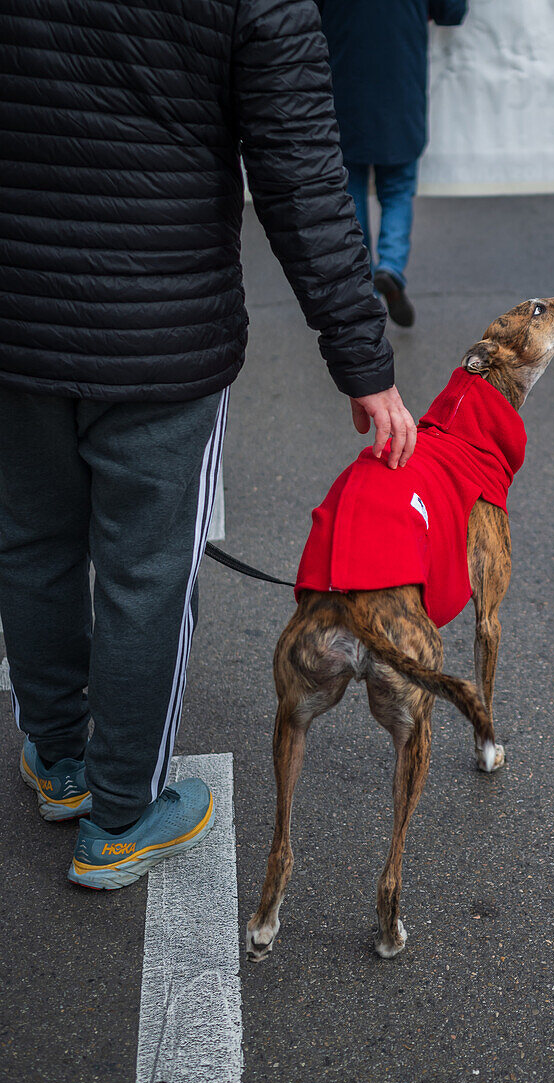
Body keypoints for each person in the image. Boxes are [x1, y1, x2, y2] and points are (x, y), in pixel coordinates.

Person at [0, 0, 416, 891]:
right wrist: (364, 362)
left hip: (18, 318)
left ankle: (59, 760)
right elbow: (301, 173)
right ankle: (118, 815)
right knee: (147, 576)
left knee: (33, 543)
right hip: (161, 333)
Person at [317, 0, 468, 328]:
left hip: (344, 89)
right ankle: (392, 268)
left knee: (349, 194)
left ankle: (361, 287)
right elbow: (452, 12)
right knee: (398, 190)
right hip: (400, 91)